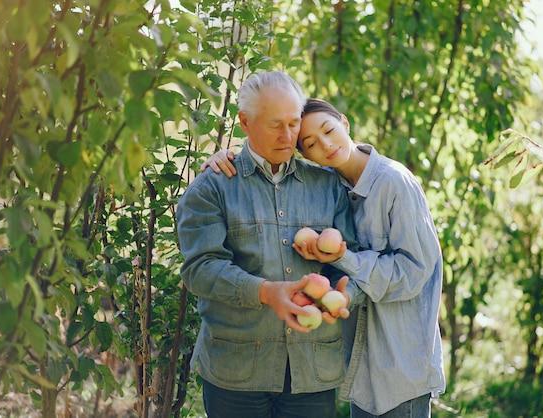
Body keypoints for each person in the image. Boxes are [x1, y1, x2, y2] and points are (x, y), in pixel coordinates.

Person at [203, 98, 446, 417]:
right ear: (303, 154)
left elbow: (414, 272)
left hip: (399, 364)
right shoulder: (331, 189)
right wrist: (231, 155)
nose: (326, 145)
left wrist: (344, 256)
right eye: (311, 143)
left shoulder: (393, 183)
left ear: (345, 123)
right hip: (362, 366)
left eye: (329, 131)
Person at [176, 73, 363, 418]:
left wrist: (345, 292)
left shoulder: (327, 186)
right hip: (236, 374)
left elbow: (355, 261)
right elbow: (199, 270)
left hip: (313, 370)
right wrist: (266, 292)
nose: (288, 135)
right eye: (275, 124)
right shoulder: (212, 187)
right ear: (244, 121)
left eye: (294, 123)